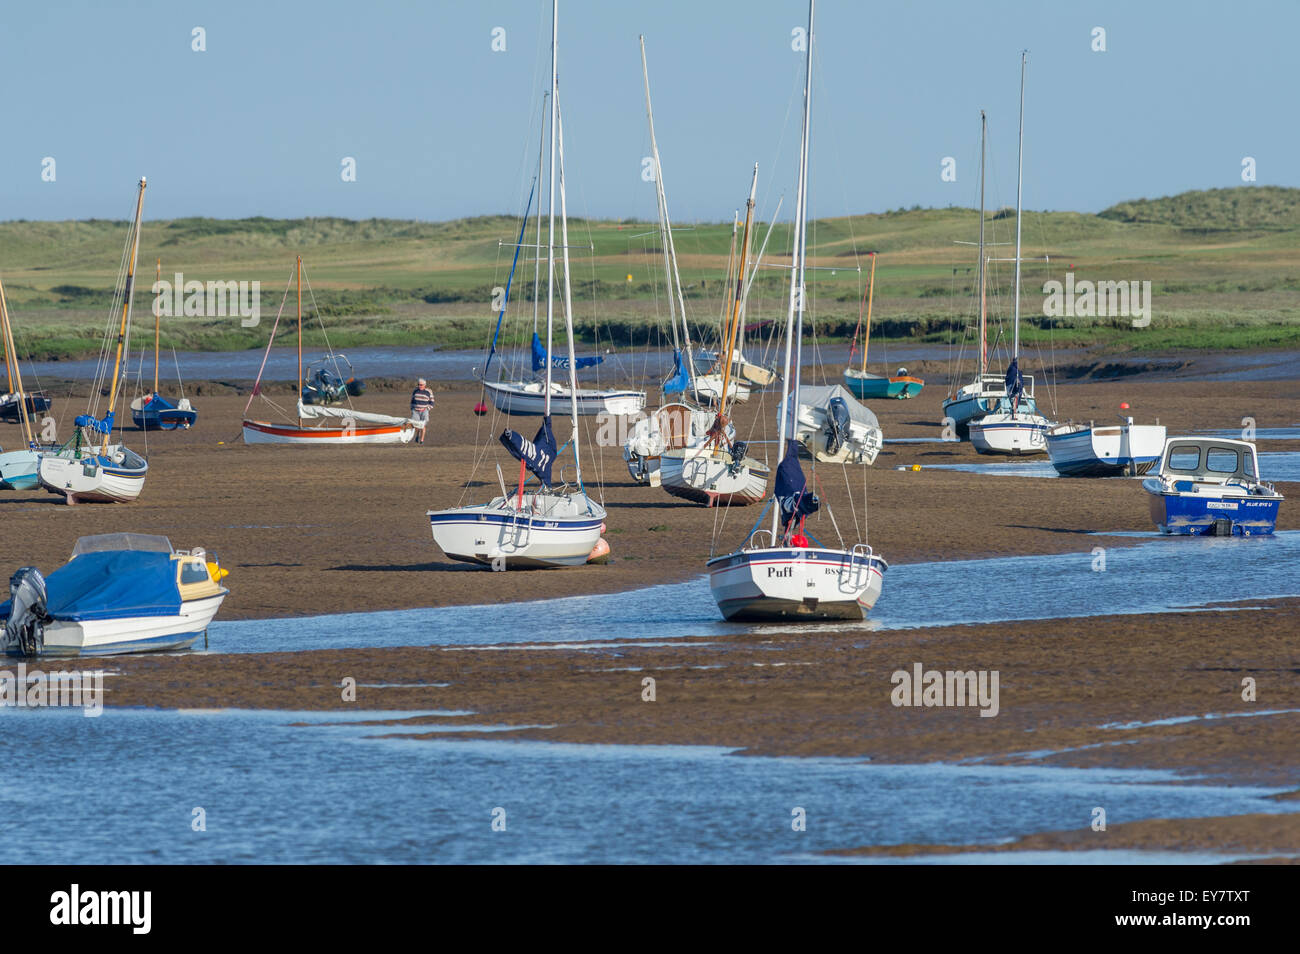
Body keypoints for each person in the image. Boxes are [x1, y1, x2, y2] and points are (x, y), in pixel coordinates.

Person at [410, 378, 435, 444]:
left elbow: (432, 402)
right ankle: (417, 436)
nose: (419, 386)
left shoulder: (429, 391)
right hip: (415, 411)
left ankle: (422, 440)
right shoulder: (415, 391)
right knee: (416, 425)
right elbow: (412, 400)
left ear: (424, 385)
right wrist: (412, 408)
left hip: (424, 411)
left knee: (423, 426)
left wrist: (428, 408)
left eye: (421, 385)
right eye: (418, 384)